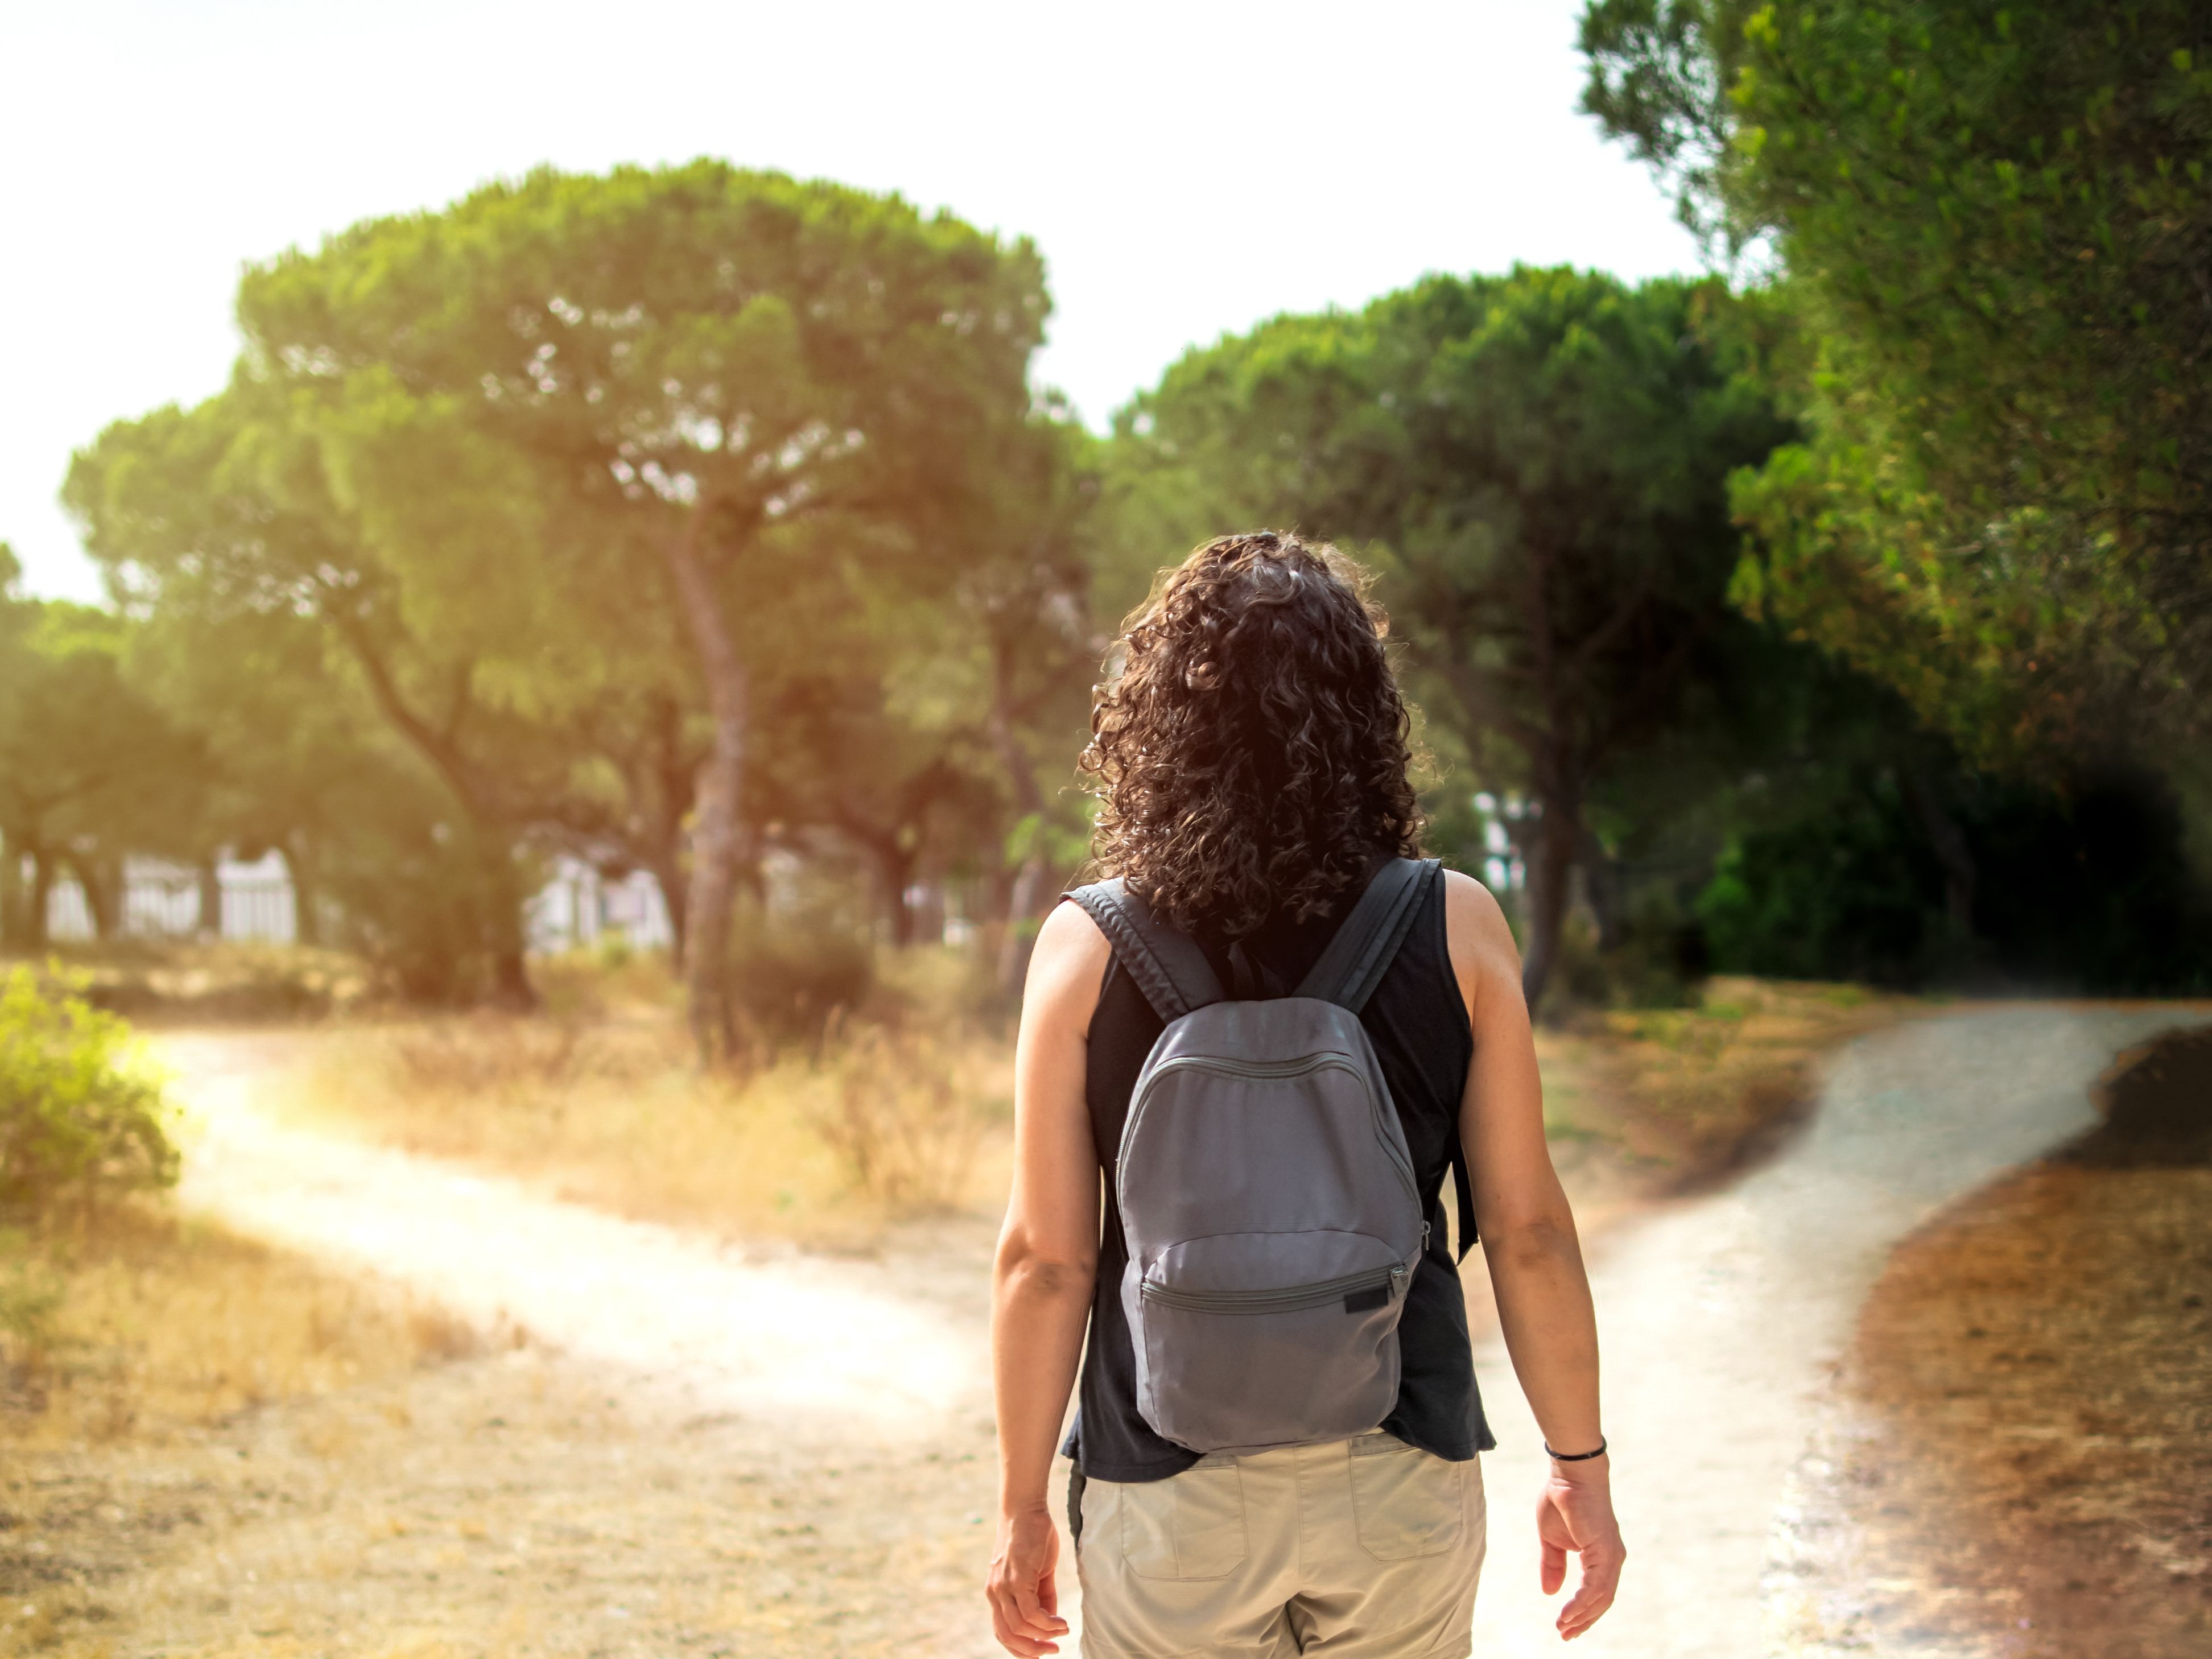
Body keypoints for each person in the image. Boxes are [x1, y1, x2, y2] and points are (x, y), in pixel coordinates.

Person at [987, 533, 1623, 1657]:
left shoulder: (1084, 948)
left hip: (1165, 1479)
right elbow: (1526, 1233)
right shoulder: (1458, 924)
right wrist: (1581, 1469)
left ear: (1158, 722)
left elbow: (1046, 1263)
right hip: (1397, 1461)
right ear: (1366, 717)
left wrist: (1022, 1505)